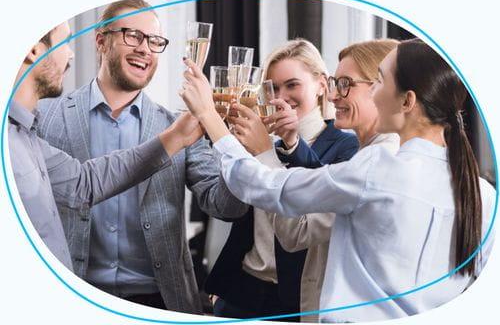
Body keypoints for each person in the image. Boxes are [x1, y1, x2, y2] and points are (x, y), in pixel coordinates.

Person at [179, 39, 496, 322]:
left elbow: (266, 187)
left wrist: (209, 115)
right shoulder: (484, 194)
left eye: (379, 82)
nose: (335, 95)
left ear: (407, 101)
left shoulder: (377, 167)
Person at [36, 0, 247, 314]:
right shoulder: (46, 116)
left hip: (161, 303)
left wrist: (235, 147)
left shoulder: (180, 125)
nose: (145, 48)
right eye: (132, 36)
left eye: (154, 41)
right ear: (101, 41)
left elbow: (225, 206)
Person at [9, 21, 203, 277]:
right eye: (65, 42)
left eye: (153, 41)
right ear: (34, 49)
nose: (71, 53)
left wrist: (177, 136)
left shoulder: (27, 137)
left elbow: (84, 182)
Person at [229, 39, 400, 322]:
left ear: (382, 89)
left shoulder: (371, 162)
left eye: (345, 84)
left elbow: (296, 233)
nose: (335, 96)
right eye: (271, 87)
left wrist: (262, 153)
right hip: (253, 292)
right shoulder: (370, 154)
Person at [204, 39, 359, 321]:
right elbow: (231, 210)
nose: (280, 96)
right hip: (240, 290)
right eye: (272, 87)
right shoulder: (260, 140)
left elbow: (316, 199)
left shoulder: (346, 145)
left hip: (296, 299)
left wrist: (291, 143)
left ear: (322, 85)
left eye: (291, 85)